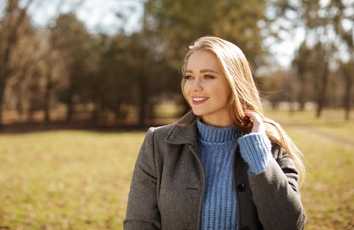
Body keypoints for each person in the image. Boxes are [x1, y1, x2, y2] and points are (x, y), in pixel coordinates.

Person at [124, 36, 306, 230]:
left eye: (208, 76)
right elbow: (139, 223)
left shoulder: (270, 145)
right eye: (189, 76)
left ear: (234, 82)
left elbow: (290, 225)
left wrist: (258, 155)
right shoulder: (158, 143)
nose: (194, 87)